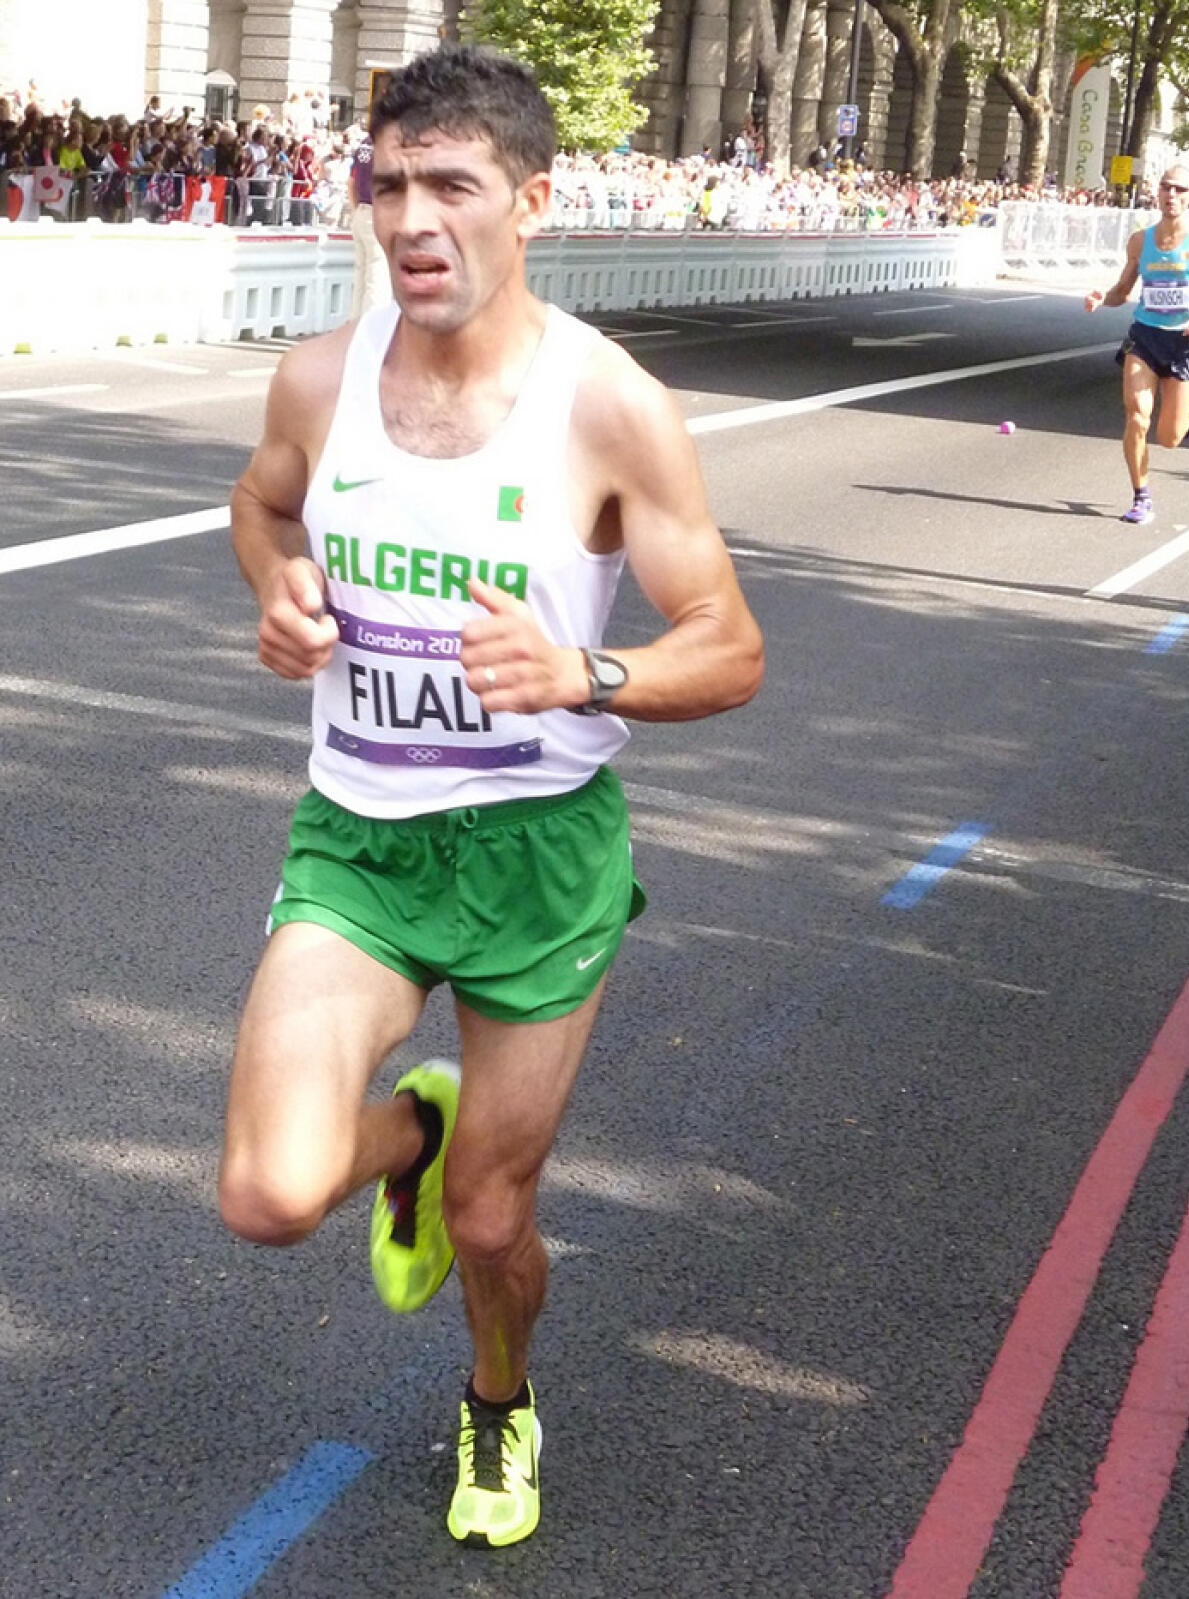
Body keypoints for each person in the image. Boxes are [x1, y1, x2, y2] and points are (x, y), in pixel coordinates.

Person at [220, 41, 762, 1551]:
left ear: (532, 199)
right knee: (270, 1190)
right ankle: (415, 1126)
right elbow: (262, 502)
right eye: (388, 184)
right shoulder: (322, 377)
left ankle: (499, 1396)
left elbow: (730, 646)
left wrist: (585, 675)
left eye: (452, 185)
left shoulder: (611, 407)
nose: (413, 220)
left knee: (491, 1219)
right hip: (363, 832)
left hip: (538, 851)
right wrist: (279, 589)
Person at [1085, 163, 1189, 525]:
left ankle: (1186, 418)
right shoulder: (1140, 241)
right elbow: (1123, 291)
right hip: (1146, 336)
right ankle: (1141, 495)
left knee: (1169, 438)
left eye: (1180, 190)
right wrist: (1103, 296)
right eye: (1167, 187)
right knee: (1136, 415)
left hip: (1185, 341)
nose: (1172, 195)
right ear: (1157, 191)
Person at [348, 124, 389, 314]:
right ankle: (372, 324)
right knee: (377, 273)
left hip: (361, 210)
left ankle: (355, 322)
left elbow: (352, 182)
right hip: (377, 212)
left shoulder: (363, 146)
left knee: (360, 272)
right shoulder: (387, 146)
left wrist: (356, 208)